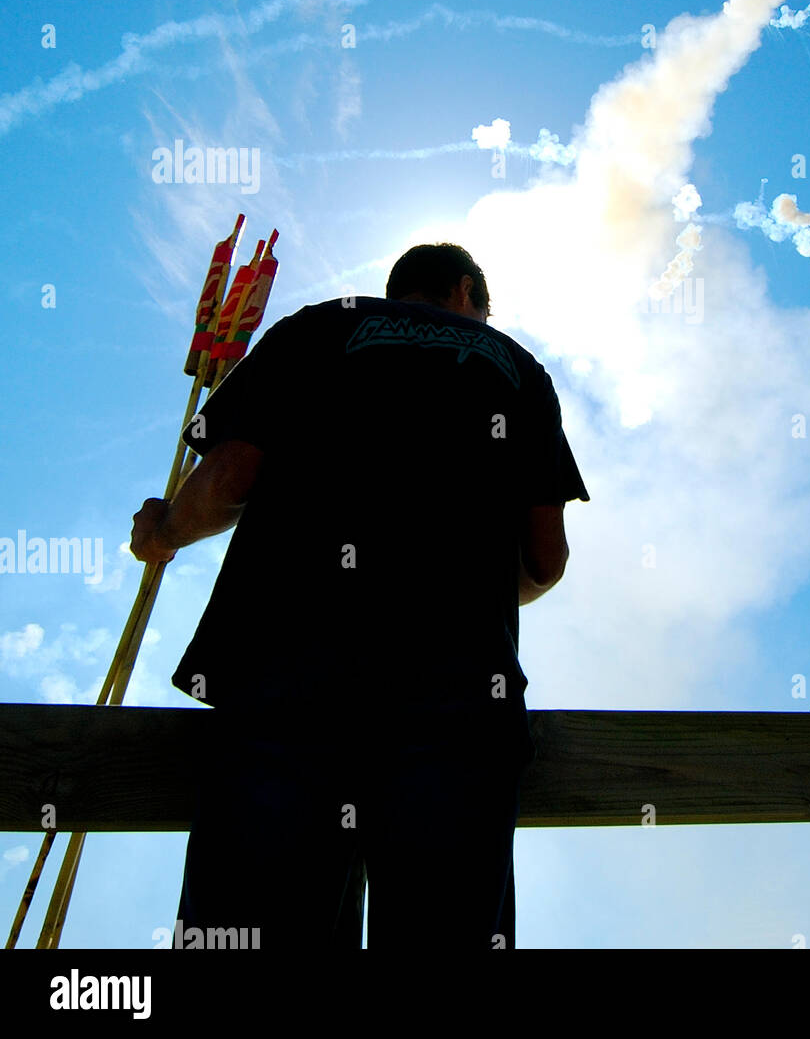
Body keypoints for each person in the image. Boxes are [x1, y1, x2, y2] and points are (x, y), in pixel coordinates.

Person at [130, 242, 588, 950]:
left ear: (399, 289)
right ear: (466, 291)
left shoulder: (319, 326)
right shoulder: (519, 369)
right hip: (459, 706)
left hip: (286, 682)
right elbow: (546, 558)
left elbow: (228, 478)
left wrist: (164, 532)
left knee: (247, 933)